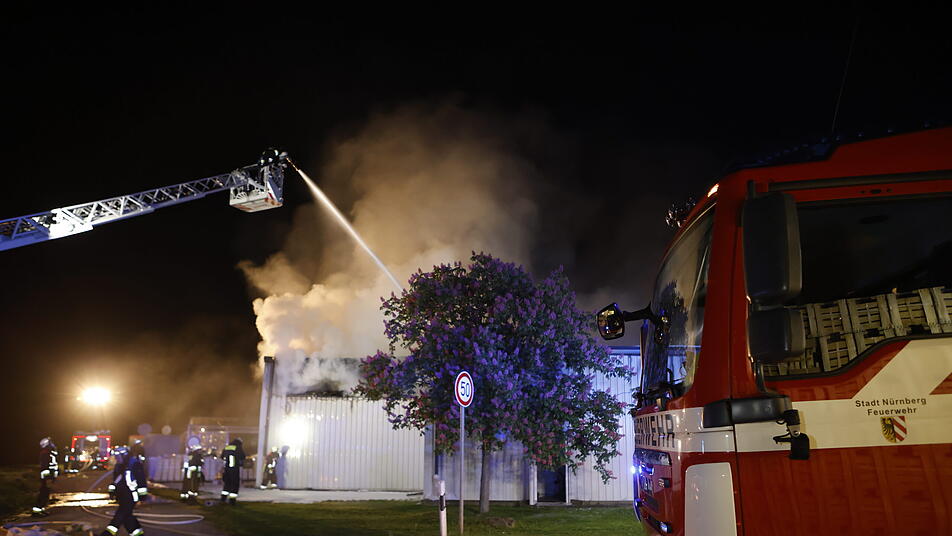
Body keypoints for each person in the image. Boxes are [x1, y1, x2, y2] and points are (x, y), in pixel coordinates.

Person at [101, 445, 147, 536]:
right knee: (127, 517)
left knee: (119, 516)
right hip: (122, 496)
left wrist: (142, 497)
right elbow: (116, 481)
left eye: (118, 456)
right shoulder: (119, 466)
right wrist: (112, 491)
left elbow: (141, 480)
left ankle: (107, 534)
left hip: (131, 496)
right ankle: (138, 534)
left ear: (124, 455)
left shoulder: (134, 464)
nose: (116, 458)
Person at [32, 437, 58, 517]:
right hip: (47, 477)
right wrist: (47, 478)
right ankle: (37, 511)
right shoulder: (45, 453)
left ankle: (41, 509)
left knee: (46, 494)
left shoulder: (50, 453)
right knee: (43, 493)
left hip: (49, 476)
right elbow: (45, 467)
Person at [220, 438, 245, 505]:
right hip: (234, 469)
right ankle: (232, 501)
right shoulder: (238, 447)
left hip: (227, 469)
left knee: (227, 484)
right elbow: (243, 456)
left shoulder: (227, 447)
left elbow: (222, 456)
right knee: (234, 484)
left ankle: (223, 498)